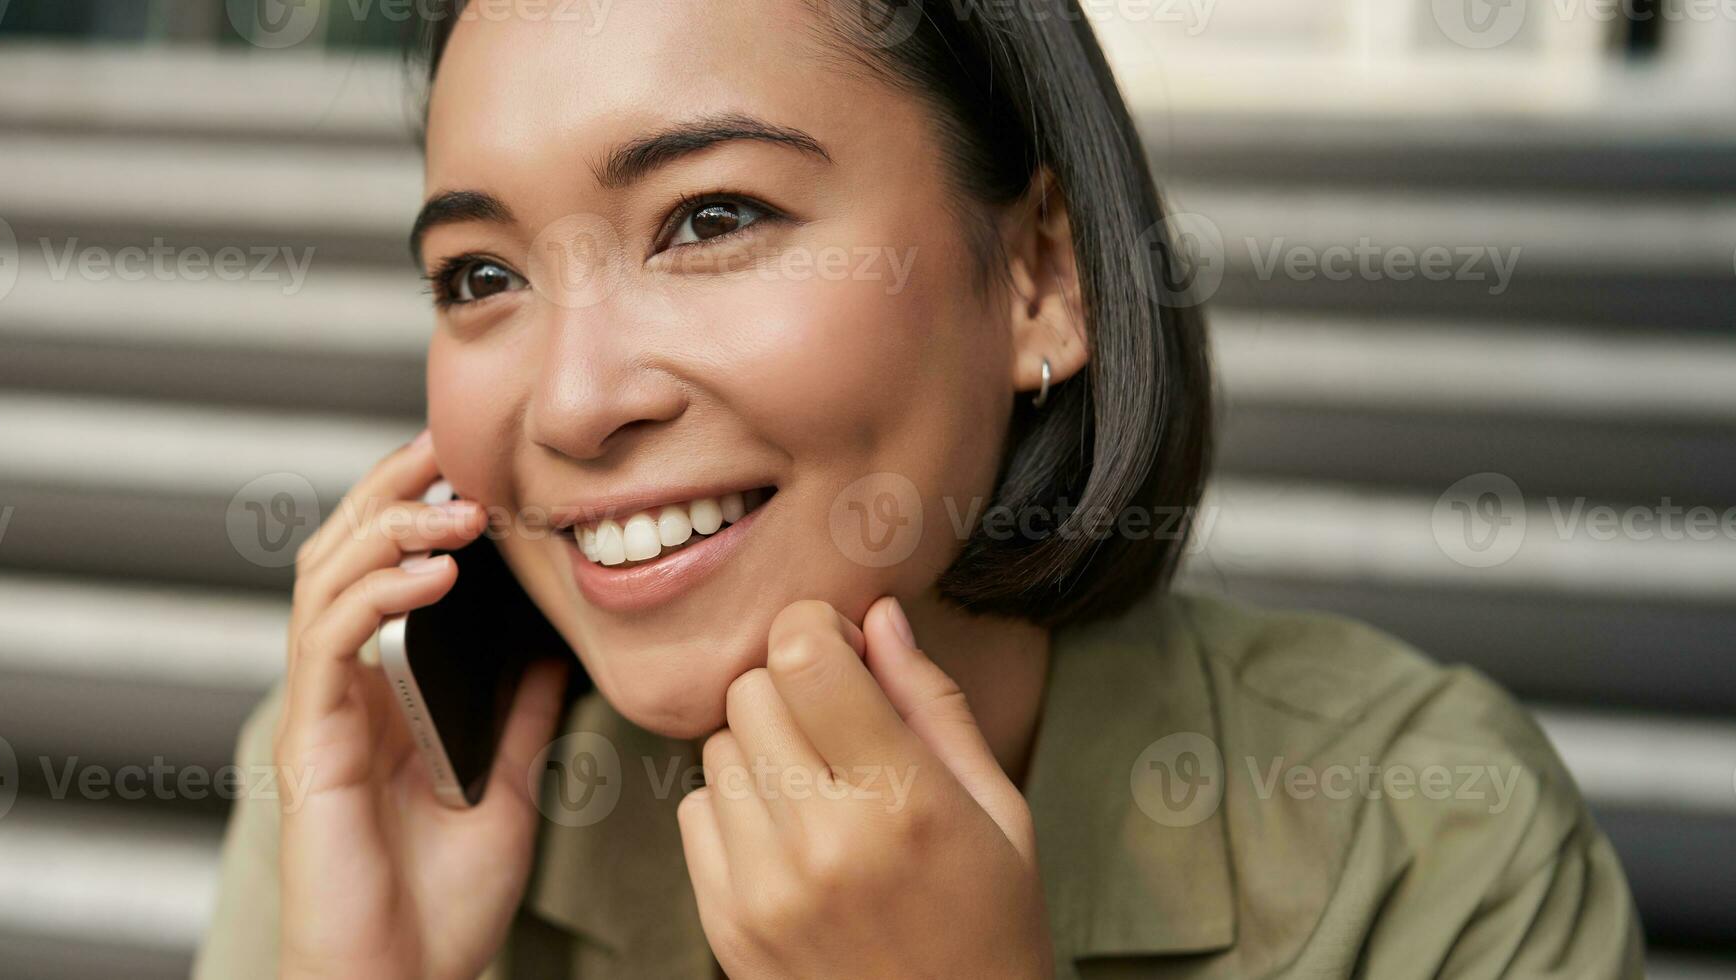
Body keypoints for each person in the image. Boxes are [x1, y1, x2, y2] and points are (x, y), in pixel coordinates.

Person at [197, 1, 1645, 976]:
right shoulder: (379, 786)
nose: (573, 402)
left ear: (1041, 279)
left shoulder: (1426, 843)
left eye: (709, 219)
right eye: (483, 276)